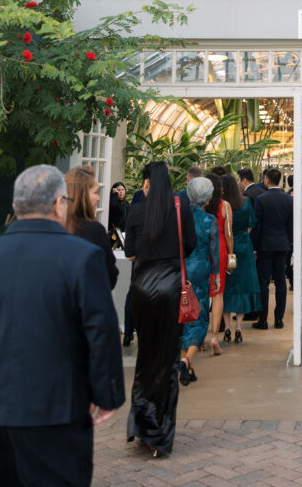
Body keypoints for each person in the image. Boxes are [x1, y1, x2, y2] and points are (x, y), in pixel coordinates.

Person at [0, 164, 124, 487]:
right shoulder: (81, 256)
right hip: (56, 410)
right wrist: (107, 394)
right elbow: (101, 328)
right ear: (57, 204)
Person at [124, 160, 196, 456]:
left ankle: (141, 426)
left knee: (146, 358)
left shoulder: (137, 210)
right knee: (167, 361)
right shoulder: (182, 209)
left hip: (142, 288)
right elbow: (189, 246)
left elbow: (129, 253)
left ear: (146, 183)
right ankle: (160, 435)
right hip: (170, 289)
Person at [180, 176, 219, 382]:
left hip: (181, 269)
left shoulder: (180, 217)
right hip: (201, 269)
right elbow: (214, 251)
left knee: (183, 313)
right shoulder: (209, 220)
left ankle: (188, 365)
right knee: (200, 316)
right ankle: (186, 361)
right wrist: (216, 275)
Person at [221, 174, 261, 343]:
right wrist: (243, 235)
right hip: (244, 247)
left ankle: (227, 328)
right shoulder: (245, 202)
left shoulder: (222, 205)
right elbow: (251, 224)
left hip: (227, 247)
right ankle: (238, 328)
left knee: (227, 286)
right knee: (244, 285)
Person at [251, 167, 293, 330]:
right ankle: (278, 319)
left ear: (267, 180)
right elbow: (291, 225)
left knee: (263, 283)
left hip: (265, 246)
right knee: (281, 282)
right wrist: (288, 243)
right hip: (282, 245)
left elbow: (257, 226)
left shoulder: (262, 199)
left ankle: (263, 320)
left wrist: (254, 247)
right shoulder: (288, 199)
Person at [64, 166, 118, 289]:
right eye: (95, 192)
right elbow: (110, 277)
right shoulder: (94, 231)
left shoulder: (55, 227)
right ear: (82, 195)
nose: (98, 198)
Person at [205, 173, 232, 347]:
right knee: (218, 293)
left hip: (202, 249)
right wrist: (231, 253)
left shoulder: (201, 205)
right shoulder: (225, 206)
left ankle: (198, 338)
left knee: (200, 293)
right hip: (220, 249)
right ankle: (215, 336)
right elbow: (229, 233)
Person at [108, 181, 130, 249]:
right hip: (115, 233)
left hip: (124, 233)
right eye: (118, 190)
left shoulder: (126, 203)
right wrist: (114, 195)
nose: (121, 192)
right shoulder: (113, 202)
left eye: (123, 190)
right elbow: (113, 206)